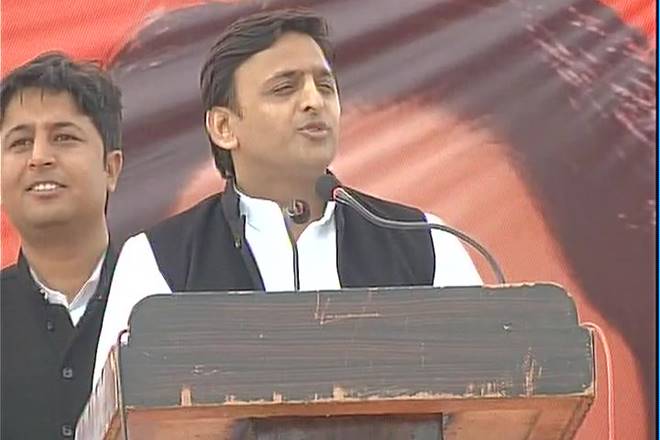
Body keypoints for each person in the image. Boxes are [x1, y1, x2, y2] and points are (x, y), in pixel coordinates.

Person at [95, 8, 482, 383]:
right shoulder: (159, 259)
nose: (314, 101)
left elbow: (489, 390)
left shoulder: (423, 240)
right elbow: (119, 411)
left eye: (325, 86)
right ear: (224, 127)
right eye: (284, 88)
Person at [0, 52, 124, 439]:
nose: (39, 157)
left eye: (64, 137)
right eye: (20, 142)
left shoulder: (168, 299)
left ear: (111, 168)